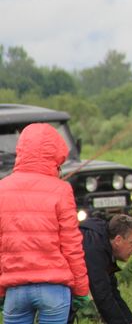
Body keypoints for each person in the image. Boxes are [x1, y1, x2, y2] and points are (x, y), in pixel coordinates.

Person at [0, 123, 90, 324]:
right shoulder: (62, 190)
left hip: (15, 289)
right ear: (56, 154)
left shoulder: (2, 189)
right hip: (54, 289)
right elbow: (72, 245)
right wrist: (82, 289)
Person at [78, 214, 132, 324]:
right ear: (118, 240)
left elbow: (111, 291)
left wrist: (131, 321)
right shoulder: (94, 247)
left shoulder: (103, 242)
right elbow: (102, 296)